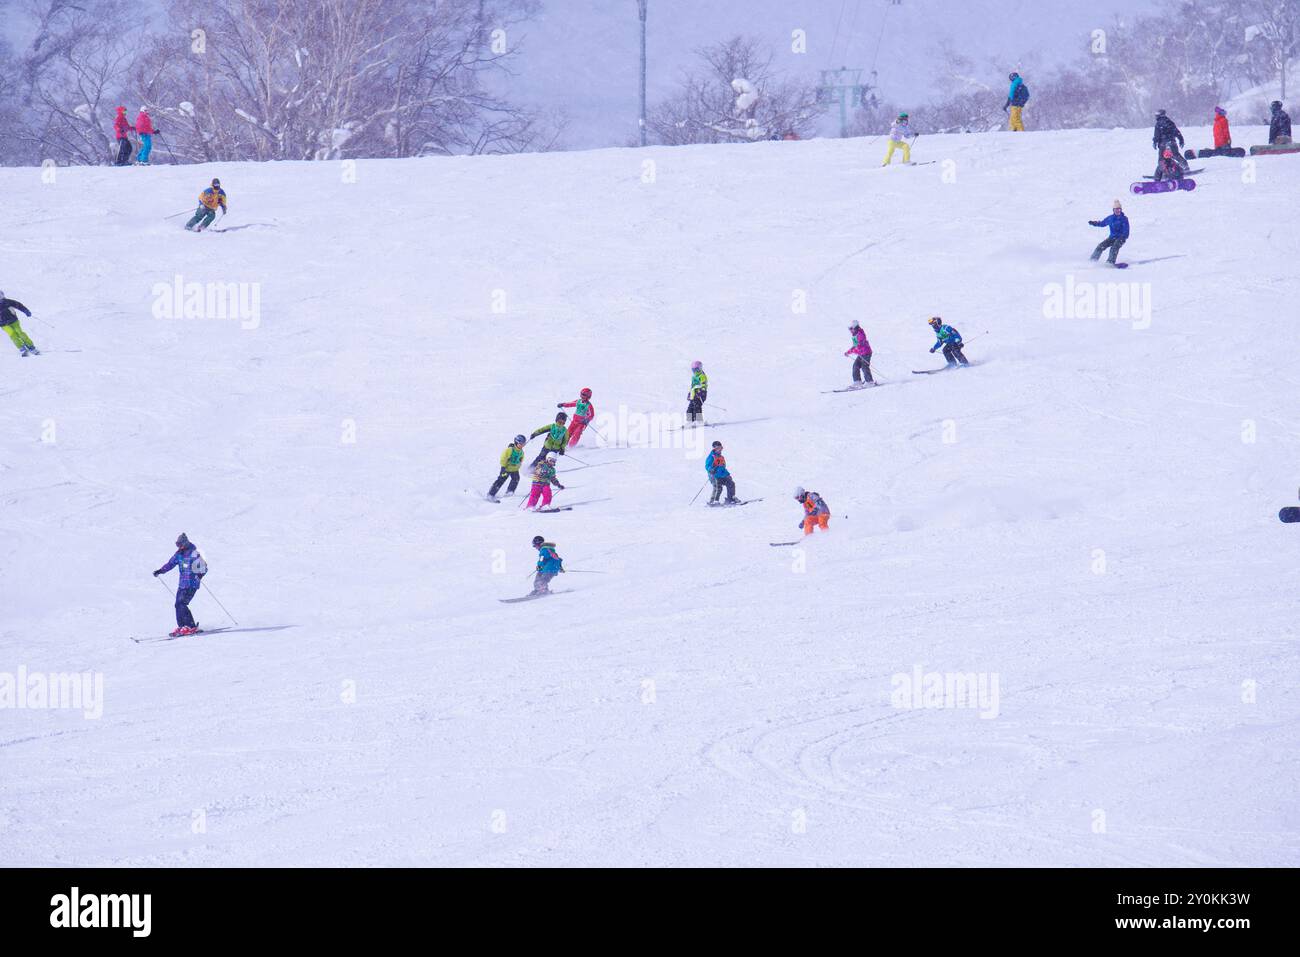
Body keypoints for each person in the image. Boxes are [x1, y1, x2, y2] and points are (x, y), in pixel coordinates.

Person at [152, 533, 207, 637]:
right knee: (178, 604)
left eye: (180, 544)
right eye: (177, 545)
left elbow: (204, 567)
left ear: (185, 543)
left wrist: (199, 575)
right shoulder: (179, 554)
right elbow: (170, 564)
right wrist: (160, 571)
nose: (179, 547)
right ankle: (183, 626)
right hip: (182, 584)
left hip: (192, 584)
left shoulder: (194, 553)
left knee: (182, 603)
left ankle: (190, 626)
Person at [1088, 200, 1130, 265]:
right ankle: (1092, 260)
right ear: (1113, 210)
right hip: (1112, 237)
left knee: (1114, 247)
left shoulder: (1124, 219)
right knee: (1100, 246)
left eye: (1119, 209)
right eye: (1116, 209)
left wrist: (1123, 237)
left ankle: (1110, 262)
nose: (1118, 211)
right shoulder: (1110, 218)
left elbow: (1126, 230)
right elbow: (1102, 223)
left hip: (1121, 238)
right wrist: (1094, 223)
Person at [0, 290, 40, 357]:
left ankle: (31, 346)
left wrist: (25, 311)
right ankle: (21, 348)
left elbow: (18, 305)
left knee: (20, 333)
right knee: (13, 335)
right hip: (3, 324)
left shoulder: (7, 302)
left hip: (13, 321)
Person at [488, 435, 527, 499]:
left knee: (516, 479)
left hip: (514, 469)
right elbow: (503, 458)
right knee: (500, 480)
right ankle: (491, 494)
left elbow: (521, 459)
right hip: (506, 469)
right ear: (516, 442)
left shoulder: (521, 452)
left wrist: (518, 465)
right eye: (521, 444)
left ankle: (510, 492)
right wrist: (503, 467)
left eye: (523, 444)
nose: (522, 445)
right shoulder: (509, 450)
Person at [1152, 110, 1186, 176]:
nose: (1156, 116)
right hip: (1172, 142)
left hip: (1163, 144)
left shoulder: (1158, 124)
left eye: (1156, 115)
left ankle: (1164, 172)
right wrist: (1181, 139)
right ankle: (1185, 166)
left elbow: (1157, 135)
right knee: (1176, 155)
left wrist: (1155, 142)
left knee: (1162, 159)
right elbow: (1176, 132)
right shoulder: (1170, 122)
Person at [705, 440, 737, 505]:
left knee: (731, 483)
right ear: (714, 448)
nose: (719, 450)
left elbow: (723, 466)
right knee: (718, 487)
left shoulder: (721, 457)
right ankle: (714, 501)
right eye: (717, 448)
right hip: (714, 475)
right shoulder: (711, 457)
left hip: (722, 475)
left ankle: (731, 498)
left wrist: (727, 474)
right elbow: (707, 465)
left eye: (720, 448)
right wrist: (711, 469)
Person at [845, 320, 873, 385]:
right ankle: (857, 381)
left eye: (851, 328)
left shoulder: (860, 334)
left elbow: (859, 346)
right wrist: (848, 352)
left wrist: (854, 350)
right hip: (861, 354)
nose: (850, 330)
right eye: (849, 329)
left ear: (855, 328)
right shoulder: (854, 335)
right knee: (855, 366)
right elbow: (855, 346)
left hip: (866, 353)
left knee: (864, 366)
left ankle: (869, 381)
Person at [687, 360, 708, 424]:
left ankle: (699, 421)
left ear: (700, 368)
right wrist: (689, 394)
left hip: (701, 395)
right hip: (693, 395)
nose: (695, 371)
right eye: (693, 370)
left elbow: (704, 385)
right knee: (689, 409)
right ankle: (690, 422)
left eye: (697, 370)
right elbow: (692, 386)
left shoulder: (702, 376)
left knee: (697, 407)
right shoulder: (694, 377)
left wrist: (701, 393)